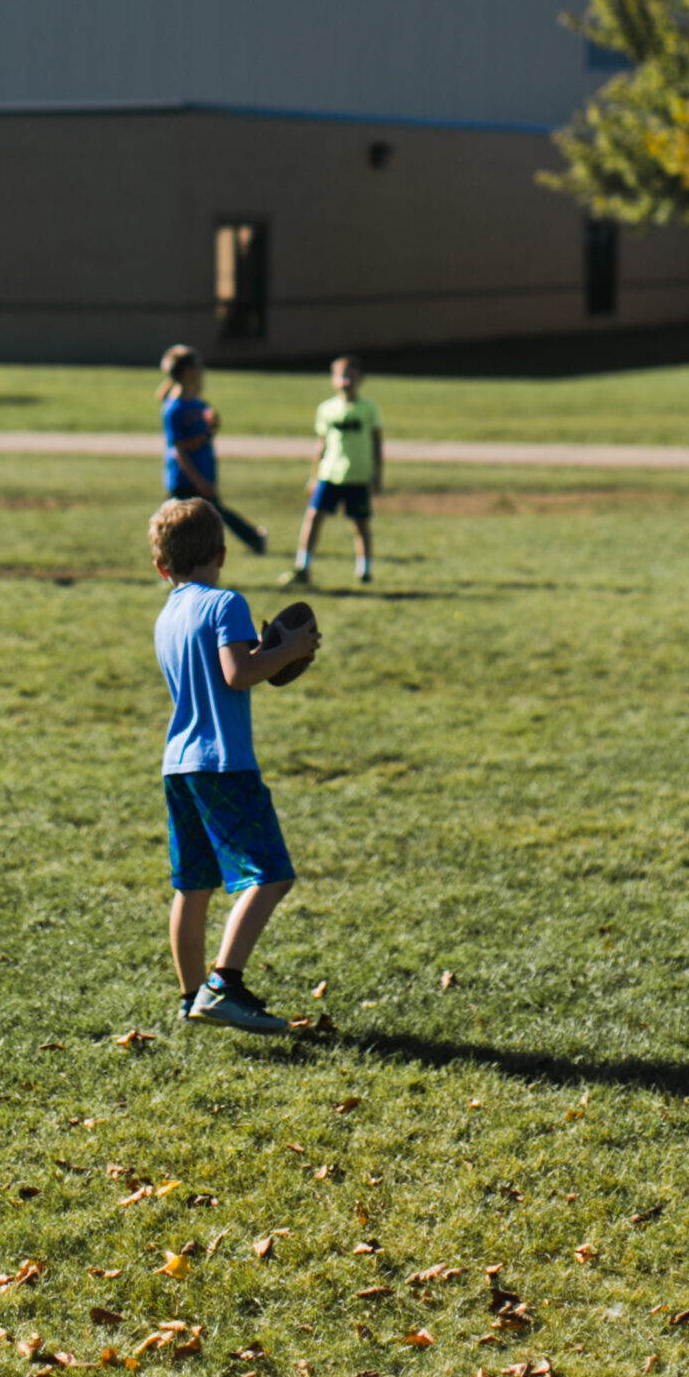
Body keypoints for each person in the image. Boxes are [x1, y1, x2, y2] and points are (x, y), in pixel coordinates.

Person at [151, 494, 318, 1032]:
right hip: (224, 762)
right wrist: (289, 651)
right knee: (270, 874)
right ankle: (223, 986)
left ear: (161, 566)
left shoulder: (167, 614)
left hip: (179, 764)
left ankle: (190, 996)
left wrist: (270, 648)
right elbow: (239, 674)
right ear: (221, 553)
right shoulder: (226, 604)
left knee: (192, 886)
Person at [158, 346, 269, 557]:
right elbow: (179, 452)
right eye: (199, 367)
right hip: (184, 478)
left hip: (204, 471)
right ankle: (171, 563)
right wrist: (199, 481)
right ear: (188, 372)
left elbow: (203, 438)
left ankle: (253, 539)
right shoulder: (174, 409)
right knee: (173, 524)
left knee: (209, 516)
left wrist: (212, 425)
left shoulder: (199, 404)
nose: (203, 371)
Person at [285, 355, 385, 587]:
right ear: (334, 380)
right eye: (342, 376)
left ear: (360, 379)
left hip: (357, 475)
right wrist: (314, 475)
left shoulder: (368, 409)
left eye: (351, 375)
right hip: (329, 474)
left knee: (360, 523)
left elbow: (377, 442)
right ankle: (303, 565)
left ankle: (365, 568)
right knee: (313, 517)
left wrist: (378, 474)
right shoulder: (326, 409)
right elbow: (321, 444)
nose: (346, 381)